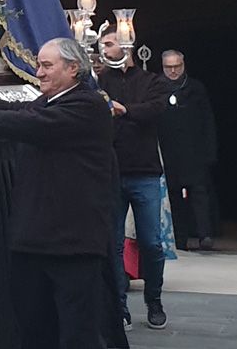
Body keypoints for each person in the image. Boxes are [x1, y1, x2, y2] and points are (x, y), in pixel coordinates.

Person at [0, 38, 117, 349]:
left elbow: (32, 123)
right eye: (38, 65)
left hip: (73, 243)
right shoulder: (52, 101)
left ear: (73, 69)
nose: (39, 72)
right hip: (35, 239)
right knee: (34, 328)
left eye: (47, 65)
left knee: (77, 332)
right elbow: (22, 109)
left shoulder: (89, 105)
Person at [97, 27, 170, 330]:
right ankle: (119, 306)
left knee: (151, 242)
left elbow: (156, 109)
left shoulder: (151, 81)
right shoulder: (99, 82)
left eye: (109, 44)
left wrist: (125, 110)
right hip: (111, 172)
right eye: (101, 44)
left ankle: (154, 300)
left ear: (126, 45)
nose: (104, 49)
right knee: (112, 244)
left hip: (144, 173)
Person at [158, 49, 218, 250]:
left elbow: (207, 120)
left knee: (200, 192)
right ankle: (179, 237)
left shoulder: (195, 88)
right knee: (173, 195)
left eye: (177, 66)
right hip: (169, 151)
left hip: (194, 150)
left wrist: (209, 150)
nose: (173, 71)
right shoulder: (156, 88)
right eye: (169, 67)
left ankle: (205, 234)